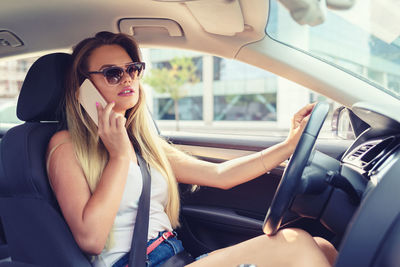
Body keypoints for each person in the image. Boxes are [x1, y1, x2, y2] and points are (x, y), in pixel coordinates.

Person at [46, 31, 337, 267]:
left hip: (178, 257)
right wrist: (118, 157)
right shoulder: (66, 146)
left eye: (133, 69)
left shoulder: (143, 142)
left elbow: (220, 175)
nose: (127, 78)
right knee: (296, 242)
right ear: (82, 89)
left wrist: (288, 146)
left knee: (322, 247)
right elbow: (91, 240)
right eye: (112, 73)